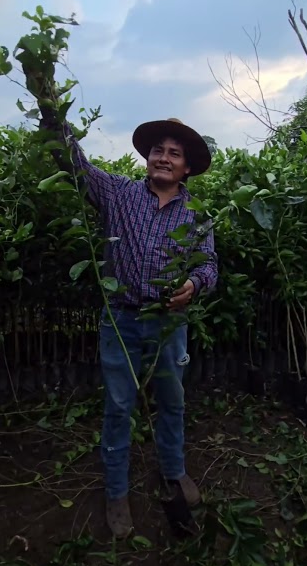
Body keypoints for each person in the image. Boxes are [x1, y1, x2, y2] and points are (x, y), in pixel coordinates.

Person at [45, 117, 219, 538]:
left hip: (167, 324)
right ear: (147, 157)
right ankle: (117, 492)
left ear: (187, 168)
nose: (163, 157)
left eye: (174, 153)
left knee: (172, 401)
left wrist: (194, 284)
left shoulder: (197, 215)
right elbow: (75, 164)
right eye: (158, 150)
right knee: (120, 406)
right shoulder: (119, 194)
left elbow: (209, 264)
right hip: (120, 318)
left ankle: (174, 472)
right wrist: (52, 111)